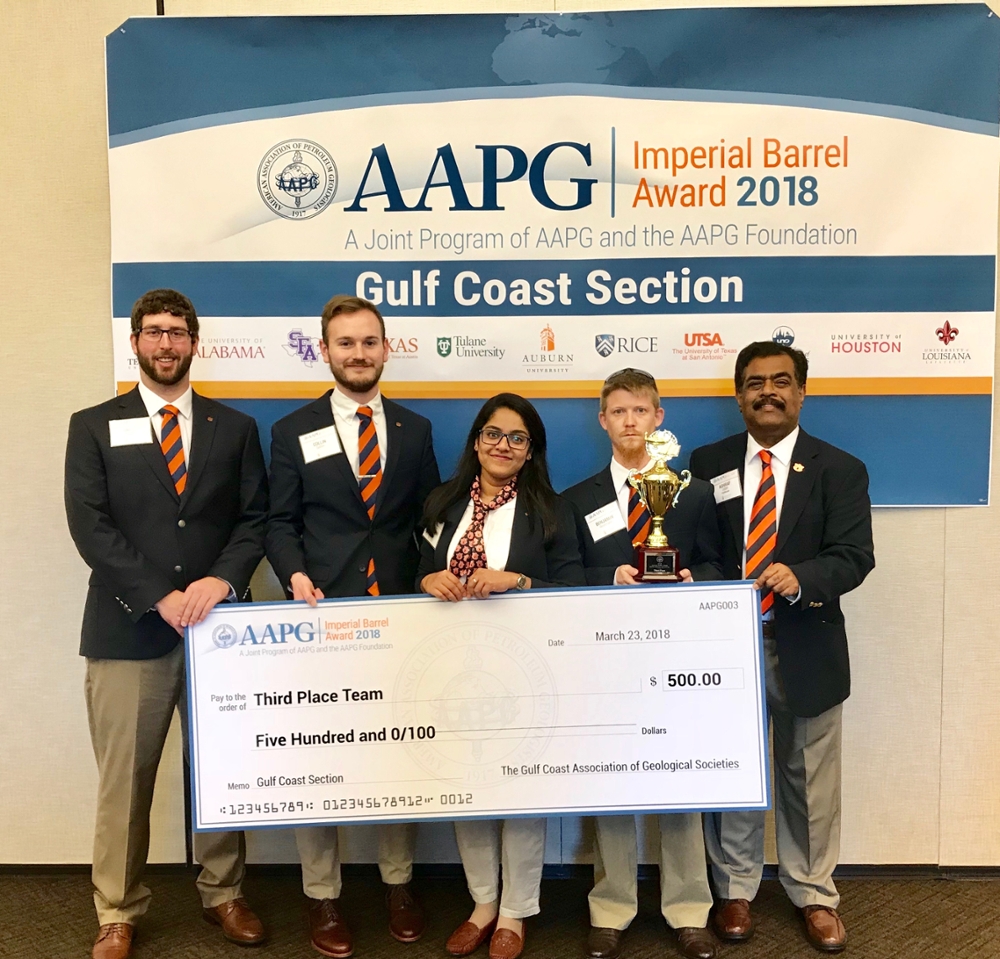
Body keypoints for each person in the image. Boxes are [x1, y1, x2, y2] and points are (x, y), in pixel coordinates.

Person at [64, 289, 269, 959]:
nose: (166, 343)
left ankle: (224, 892)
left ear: (194, 341)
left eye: (178, 332)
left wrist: (219, 580)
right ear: (136, 342)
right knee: (126, 779)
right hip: (129, 629)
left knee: (222, 770)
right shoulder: (94, 425)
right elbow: (91, 526)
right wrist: (161, 595)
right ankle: (118, 908)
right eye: (154, 331)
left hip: (218, 629)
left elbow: (253, 519)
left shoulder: (233, 428)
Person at [265, 294, 440, 957]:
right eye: (345, 343)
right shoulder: (290, 431)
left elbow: (427, 519)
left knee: (397, 746)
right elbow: (279, 522)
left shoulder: (416, 429)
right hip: (321, 611)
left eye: (369, 341)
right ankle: (322, 893)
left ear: (385, 348)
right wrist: (293, 575)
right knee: (321, 754)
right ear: (325, 350)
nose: (358, 353)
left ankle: (397, 881)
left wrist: (430, 577)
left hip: (399, 612)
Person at [688, 342, 875, 953]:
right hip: (728, 646)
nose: (767, 392)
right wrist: (711, 586)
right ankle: (735, 888)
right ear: (739, 395)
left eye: (781, 382)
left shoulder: (839, 468)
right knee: (738, 772)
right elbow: (702, 550)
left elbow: (854, 556)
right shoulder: (706, 461)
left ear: (801, 392)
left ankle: (813, 891)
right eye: (754, 383)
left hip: (806, 641)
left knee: (808, 777)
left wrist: (801, 578)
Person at [416, 392, 586, 959]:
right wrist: (425, 582)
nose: (503, 446)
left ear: (531, 449)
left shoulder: (553, 511)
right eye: (493, 434)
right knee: (468, 789)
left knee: (519, 790)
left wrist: (519, 581)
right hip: (451, 668)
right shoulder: (441, 502)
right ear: (476, 441)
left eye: (517, 438)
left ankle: (515, 911)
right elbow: (417, 571)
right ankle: (483, 902)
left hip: (522, 670)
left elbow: (573, 592)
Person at [562, 368, 722, 959]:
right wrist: (609, 577)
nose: (631, 421)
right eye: (619, 412)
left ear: (659, 418)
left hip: (677, 658)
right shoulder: (574, 500)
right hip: (605, 661)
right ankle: (611, 906)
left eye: (642, 411)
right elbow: (561, 576)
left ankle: (687, 909)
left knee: (680, 780)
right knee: (612, 785)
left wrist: (688, 578)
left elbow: (718, 566)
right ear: (602, 420)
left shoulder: (693, 491)